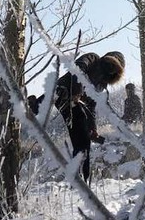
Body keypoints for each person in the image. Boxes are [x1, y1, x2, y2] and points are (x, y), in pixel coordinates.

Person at [30, 51, 126, 183]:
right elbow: (78, 68)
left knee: (83, 139)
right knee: (60, 93)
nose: (110, 70)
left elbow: (91, 106)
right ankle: (33, 105)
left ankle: (83, 177)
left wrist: (93, 128)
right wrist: (78, 91)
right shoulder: (93, 58)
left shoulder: (101, 84)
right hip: (65, 90)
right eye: (110, 65)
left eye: (113, 70)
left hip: (76, 104)